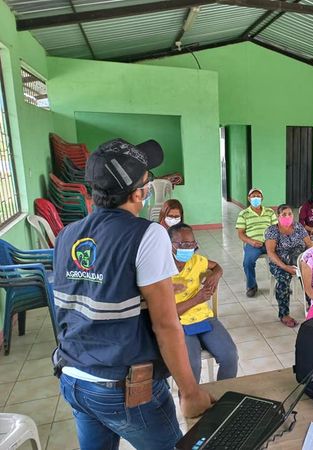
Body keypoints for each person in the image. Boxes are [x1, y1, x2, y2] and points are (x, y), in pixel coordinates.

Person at [52, 138, 214, 450]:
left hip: (73, 378)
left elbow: (87, 295)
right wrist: (190, 392)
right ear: (138, 193)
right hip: (122, 387)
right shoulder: (147, 234)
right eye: (147, 180)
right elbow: (165, 325)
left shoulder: (66, 235)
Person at [169, 222, 238, 382]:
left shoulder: (196, 261)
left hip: (204, 318)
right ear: (170, 244)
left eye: (192, 244)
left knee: (230, 356)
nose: (188, 249)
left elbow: (216, 266)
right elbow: (167, 313)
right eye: (183, 244)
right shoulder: (160, 269)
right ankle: (190, 397)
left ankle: (223, 394)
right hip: (178, 323)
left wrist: (216, 274)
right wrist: (198, 299)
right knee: (192, 365)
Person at [265, 204, 313, 327]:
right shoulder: (272, 230)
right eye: (284, 214)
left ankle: (312, 304)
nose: (287, 216)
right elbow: (271, 252)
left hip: (300, 260)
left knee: (311, 274)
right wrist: (285, 267)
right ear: (278, 216)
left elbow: (309, 245)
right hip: (280, 263)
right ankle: (284, 314)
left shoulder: (298, 226)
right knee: (283, 279)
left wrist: (311, 261)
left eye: (290, 214)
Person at [236, 188, 278, 297]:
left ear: (262, 198)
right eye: (253, 196)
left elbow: (276, 228)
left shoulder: (270, 212)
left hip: (270, 242)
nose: (256, 198)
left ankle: (281, 284)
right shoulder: (243, 214)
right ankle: (252, 286)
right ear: (248, 198)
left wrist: (272, 241)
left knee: (282, 257)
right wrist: (251, 241)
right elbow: (240, 233)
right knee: (247, 262)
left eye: (258, 196)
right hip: (253, 244)